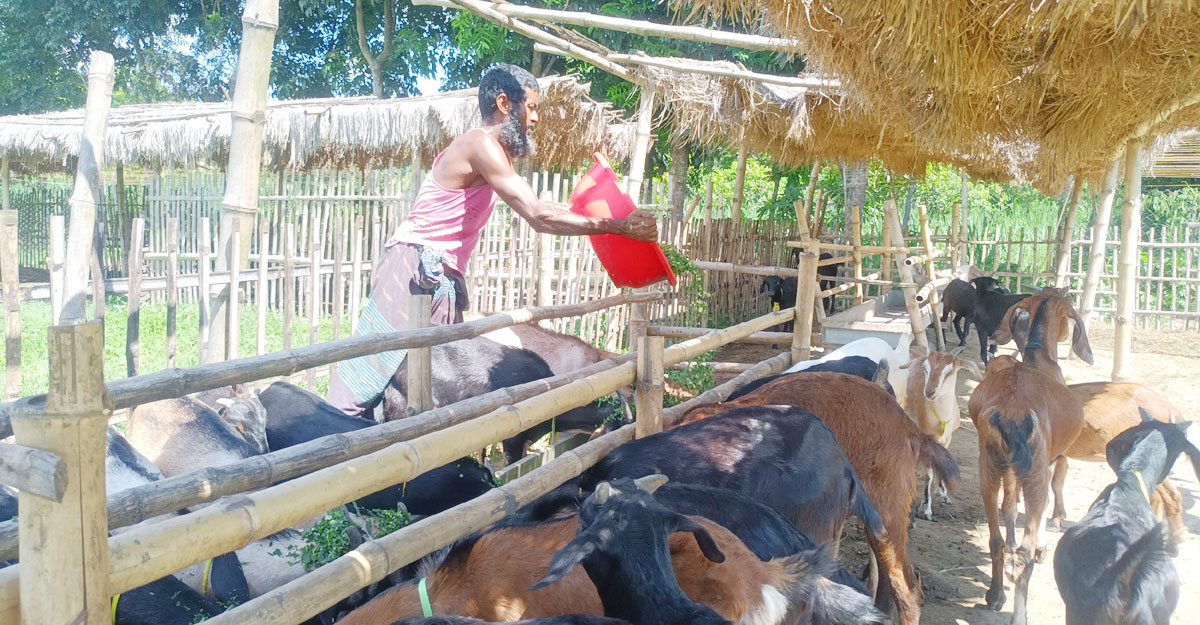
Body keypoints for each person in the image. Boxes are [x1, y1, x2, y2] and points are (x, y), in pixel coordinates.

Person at [328, 64, 659, 417]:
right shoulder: (480, 144)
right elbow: (537, 213)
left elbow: (540, 206)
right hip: (413, 265)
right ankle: (328, 450)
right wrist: (616, 226)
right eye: (531, 107)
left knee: (435, 380)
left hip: (440, 274)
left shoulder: (491, 153)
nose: (536, 119)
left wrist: (610, 223)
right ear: (504, 103)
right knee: (370, 374)